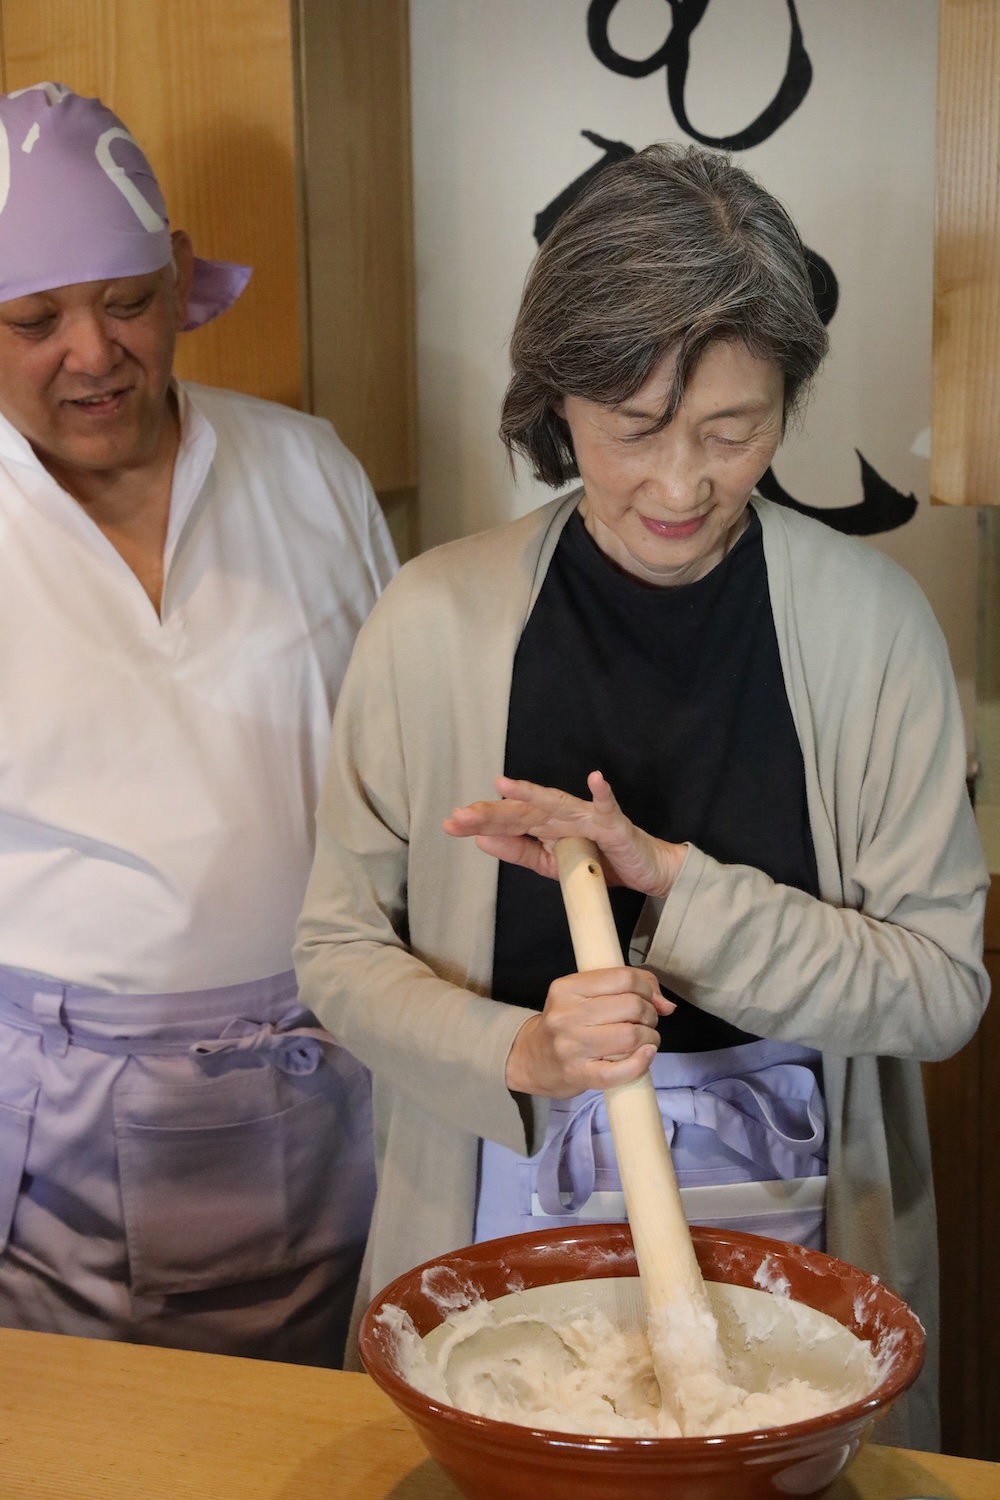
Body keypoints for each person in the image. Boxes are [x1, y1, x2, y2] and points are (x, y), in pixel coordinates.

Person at [294, 144, 988, 1440]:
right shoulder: (433, 622)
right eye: (631, 429)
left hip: (800, 1214)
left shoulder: (872, 628)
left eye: (733, 431)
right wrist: (521, 1051)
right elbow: (336, 951)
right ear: (557, 402)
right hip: (495, 1195)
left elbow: (942, 990)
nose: (681, 485)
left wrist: (670, 884)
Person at [0, 83, 397, 1366]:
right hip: (58, 1109)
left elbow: (398, 764)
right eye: (33, 319)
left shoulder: (309, 468)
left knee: (339, 1416)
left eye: (125, 300)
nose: (93, 352)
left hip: (333, 1061)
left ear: (178, 279)